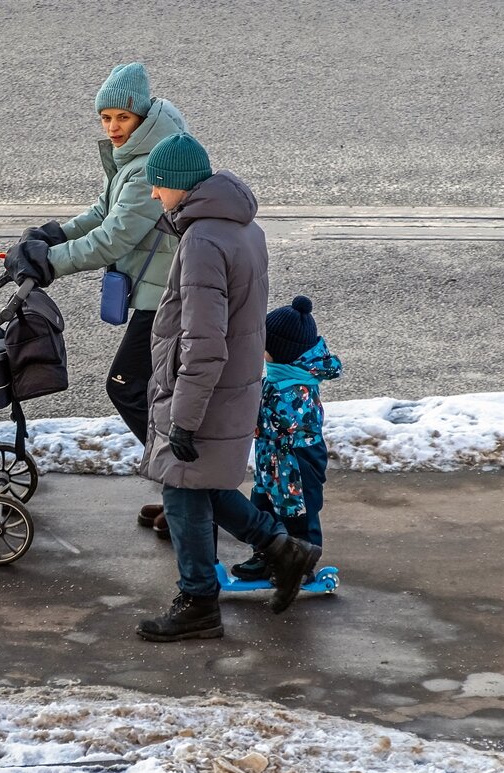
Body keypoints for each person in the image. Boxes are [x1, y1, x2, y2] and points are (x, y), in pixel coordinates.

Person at [135, 132, 321, 642]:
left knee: (181, 492)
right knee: (206, 486)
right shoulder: (243, 227)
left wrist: (184, 419)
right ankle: (284, 549)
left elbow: (204, 340)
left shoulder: (201, 241)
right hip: (234, 383)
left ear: (179, 185)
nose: (154, 194)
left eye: (158, 185)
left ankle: (198, 603)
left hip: (205, 391)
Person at [3, 62, 187, 537]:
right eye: (105, 118)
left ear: (141, 114)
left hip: (168, 297)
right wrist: (53, 233)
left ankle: (187, 491)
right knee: (155, 394)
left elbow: (114, 236)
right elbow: (103, 210)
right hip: (158, 292)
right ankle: (181, 496)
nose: (112, 128)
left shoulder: (151, 163)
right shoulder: (137, 153)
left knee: (127, 386)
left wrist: (52, 262)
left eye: (121, 118)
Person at [231, 296, 343, 580]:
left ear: (280, 350)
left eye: (264, 344)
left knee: (299, 514)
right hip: (273, 459)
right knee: (264, 505)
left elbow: (280, 422)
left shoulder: (295, 388)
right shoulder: (280, 375)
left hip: (298, 461)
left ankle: (301, 564)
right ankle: (266, 555)